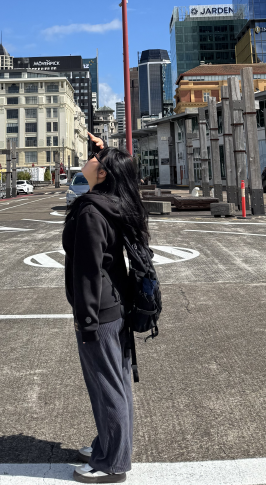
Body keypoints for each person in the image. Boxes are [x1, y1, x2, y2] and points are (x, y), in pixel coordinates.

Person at [63, 131, 149, 483]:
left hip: (99, 312)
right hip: (117, 304)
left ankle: (112, 463)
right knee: (116, 383)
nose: (87, 162)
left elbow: (88, 271)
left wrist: (85, 320)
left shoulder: (90, 212)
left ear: (103, 174)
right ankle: (109, 444)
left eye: (94, 161)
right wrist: (102, 152)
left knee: (107, 387)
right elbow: (88, 183)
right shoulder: (115, 202)